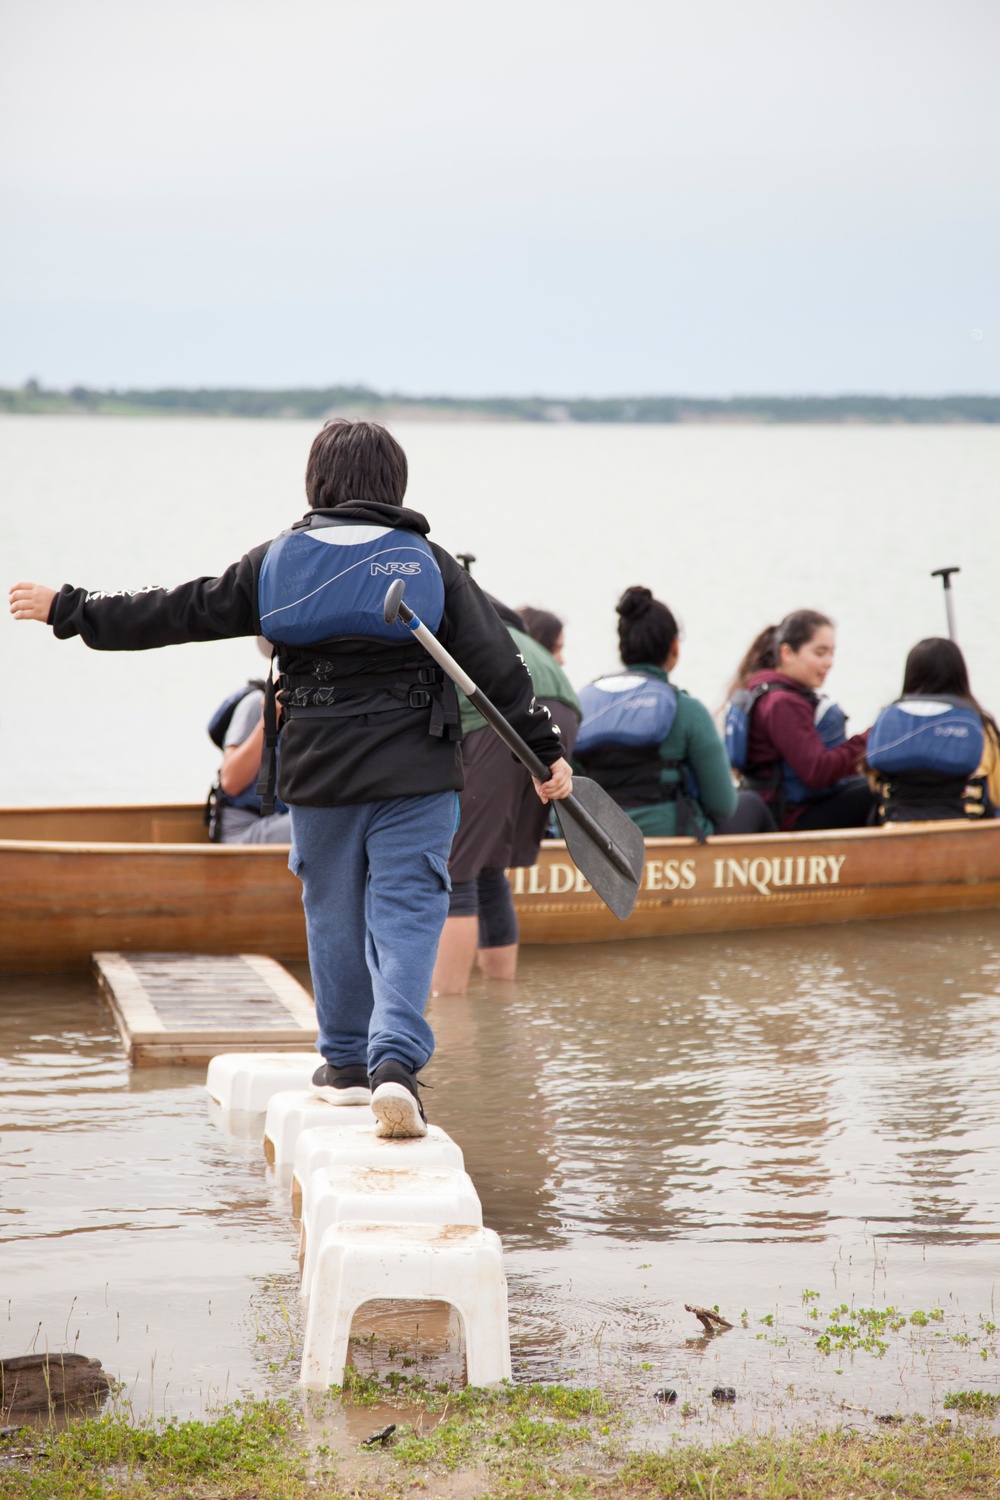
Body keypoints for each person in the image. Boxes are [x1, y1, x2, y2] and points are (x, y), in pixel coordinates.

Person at [9, 419, 573, 1138]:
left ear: (319, 485)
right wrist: (545, 755)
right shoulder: (429, 563)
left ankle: (343, 1067)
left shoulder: (276, 561)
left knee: (332, 908)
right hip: (418, 770)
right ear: (394, 485)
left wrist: (72, 608)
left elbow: (180, 609)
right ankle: (395, 1062)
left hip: (321, 772)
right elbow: (500, 669)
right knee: (408, 908)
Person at [432, 599, 581, 994]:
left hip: (501, 714)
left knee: (457, 866)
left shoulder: (456, 622)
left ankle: (451, 1014)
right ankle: (502, 1001)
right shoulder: (518, 634)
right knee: (488, 867)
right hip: (563, 710)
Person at [573, 586, 773, 838]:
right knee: (751, 804)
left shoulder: (581, 705)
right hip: (671, 834)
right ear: (675, 648)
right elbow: (723, 804)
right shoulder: (687, 710)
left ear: (620, 647)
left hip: (596, 842)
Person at [726, 610, 873, 830]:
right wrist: (870, 739)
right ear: (787, 653)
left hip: (785, 805)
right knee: (877, 792)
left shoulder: (769, 691)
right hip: (788, 816)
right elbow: (816, 772)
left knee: (867, 784)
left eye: (832, 653)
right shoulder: (782, 703)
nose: (828, 662)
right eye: (819, 653)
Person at [868, 637, 1000, 821]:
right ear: (960, 675)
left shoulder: (890, 719)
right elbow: (997, 793)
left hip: (896, 826)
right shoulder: (980, 724)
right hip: (966, 828)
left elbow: (874, 783)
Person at [206, 640, 291, 844]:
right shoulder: (254, 705)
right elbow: (230, 782)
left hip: (281, 820)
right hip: (243, 828)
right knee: (321, 823)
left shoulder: (311, 713)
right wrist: (270, 717)